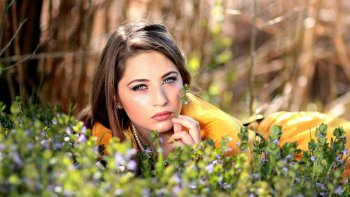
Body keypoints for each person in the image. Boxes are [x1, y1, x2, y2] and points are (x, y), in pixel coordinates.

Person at [79, 21, 350, 173]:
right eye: (140, 87)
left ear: (184, 82)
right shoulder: (103, 132)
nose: (160, 99)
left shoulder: (219, 134)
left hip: (315, 145)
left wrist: (195, 165)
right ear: (114, 97)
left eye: (169, 80)